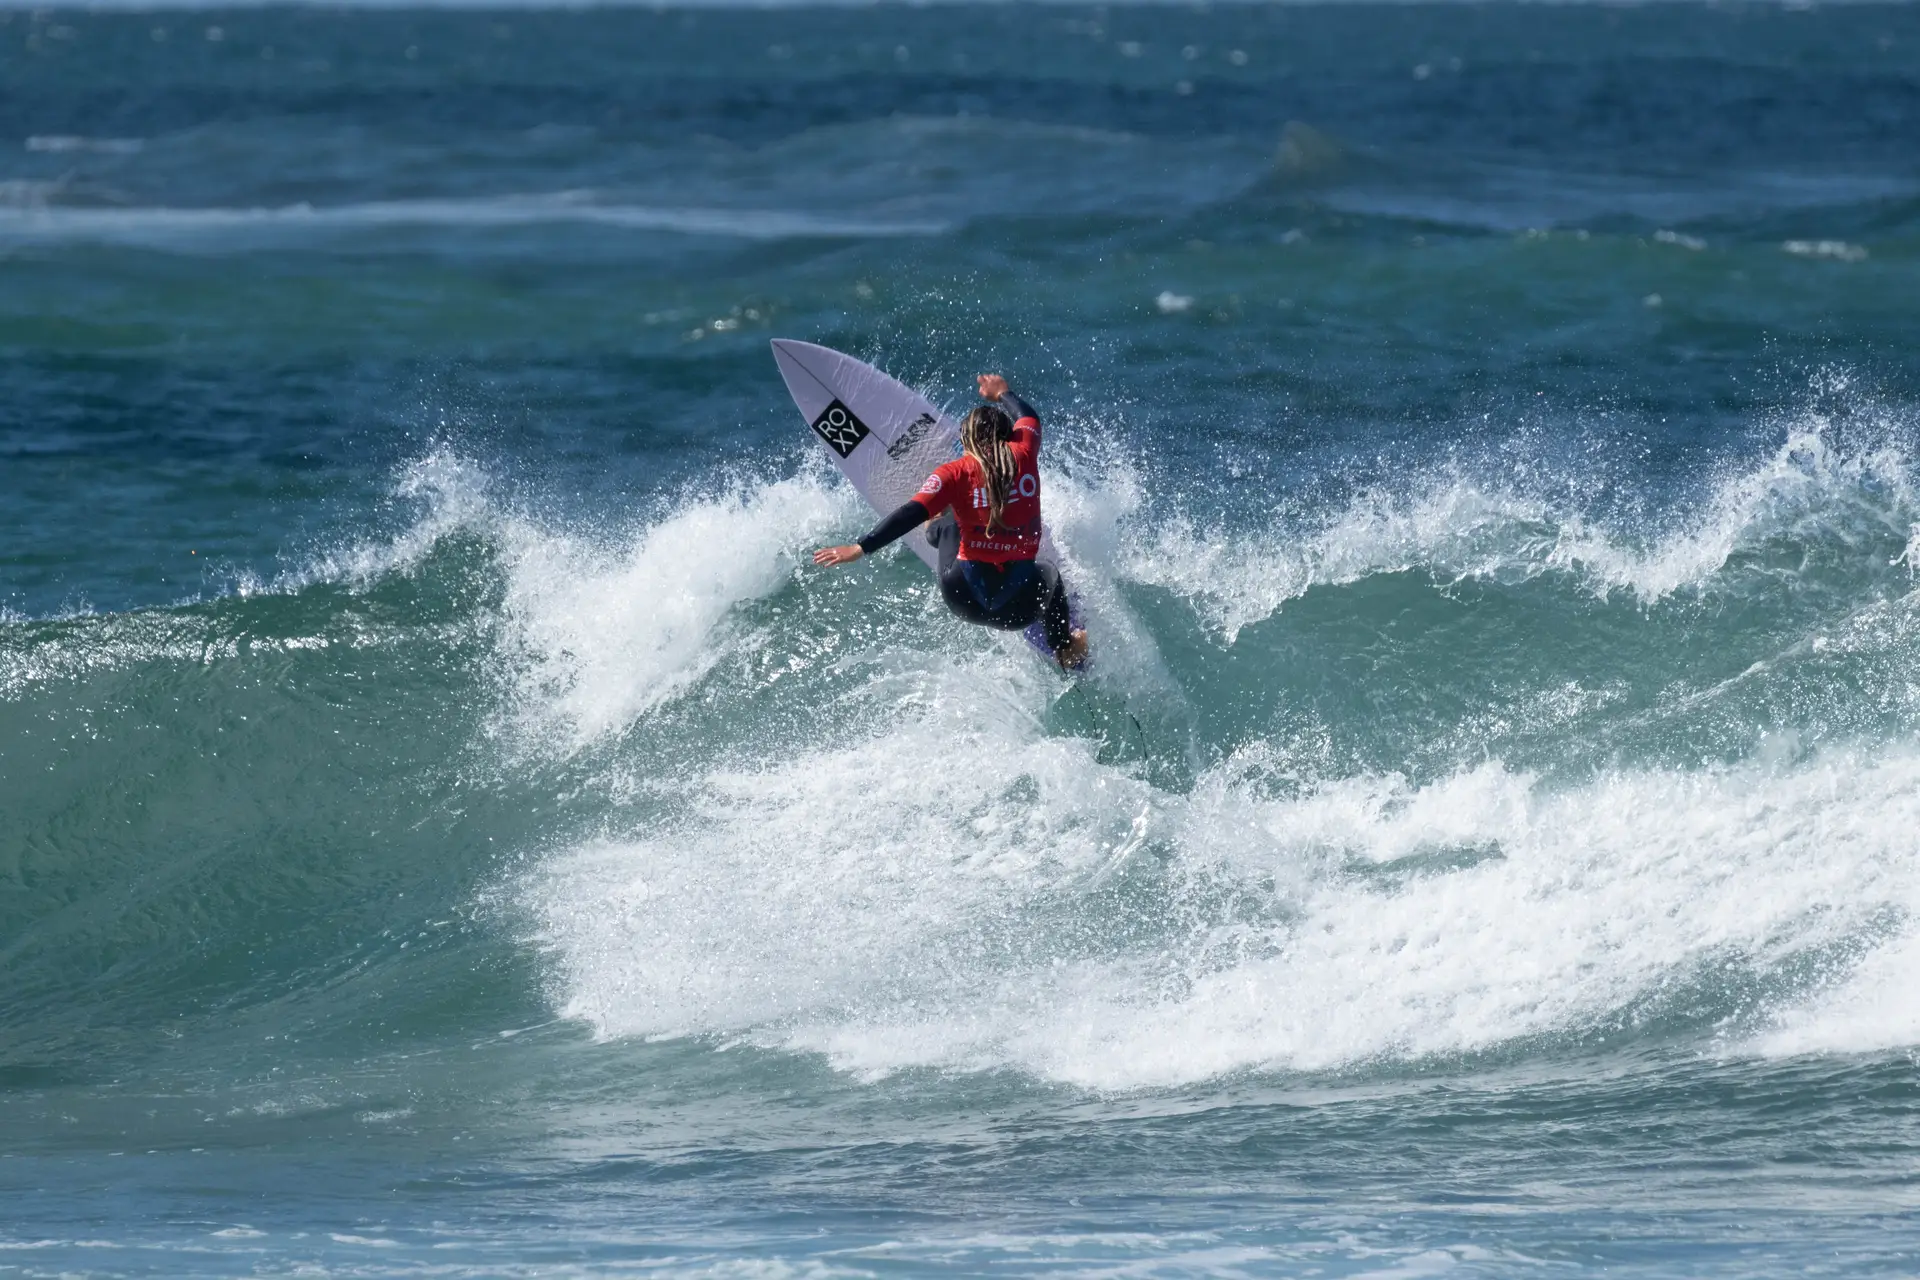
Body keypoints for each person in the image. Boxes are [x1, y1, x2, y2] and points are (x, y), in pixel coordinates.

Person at [813, 374, 1090, 670]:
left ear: (967, 440)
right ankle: (1064, 646)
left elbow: (908, 513)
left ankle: (937, 524)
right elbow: (1028, 416)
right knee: (1050, 575)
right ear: (1009, 436)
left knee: (947, 525)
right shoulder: (1025, 450)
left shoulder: (953, 472)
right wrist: (1003, 393)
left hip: (963, 598)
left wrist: (860, 548)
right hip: (1019, 609)